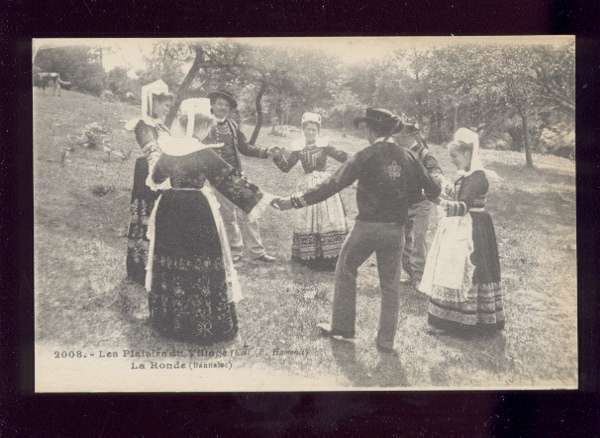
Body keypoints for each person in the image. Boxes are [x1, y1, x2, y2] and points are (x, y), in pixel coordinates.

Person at [272, 108, 442, 353]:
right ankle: (386, 342)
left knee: (345, 269)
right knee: (390, 286)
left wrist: (294, 201)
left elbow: (331, 184)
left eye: (366, 128)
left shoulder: (365, 155)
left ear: (372, 130)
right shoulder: (409, 157)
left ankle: (342, 328)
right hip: (396, 231)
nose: (364, 132)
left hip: (366, 228)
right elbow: (431, 190)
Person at [144, 98, 274, 344]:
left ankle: (169, 318)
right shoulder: (204, 153)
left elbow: (156, 177)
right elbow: (230, 181)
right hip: (196, 209)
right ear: (201, 126)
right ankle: (200, 320)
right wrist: (263, 199)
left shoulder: (170, 149)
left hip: (169, 208)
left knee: (172, 259)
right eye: (207, 127)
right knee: (200, 260)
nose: (208, 131)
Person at [418, 128, 505, 335]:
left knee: (468, 270)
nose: (453, 161)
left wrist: (437, 200)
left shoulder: (477, 177)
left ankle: (466, 322)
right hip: (463, 226)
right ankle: (450, 320)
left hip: (473, 229)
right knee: (453, 270)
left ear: (467, 154)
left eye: (455, 156)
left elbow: (463, 206)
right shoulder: (467, 175)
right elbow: (458, 198)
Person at [203, 90, 276, 263]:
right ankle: (235, 251)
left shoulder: (233, 126)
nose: (223, 108)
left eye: (226, 106)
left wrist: (265, 152)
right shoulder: (204, 125)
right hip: (217, 179)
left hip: (236, 176)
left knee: (250, 210)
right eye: (220, 104)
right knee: (229, 217)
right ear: (212, 105)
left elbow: (244, 147)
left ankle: (257, 251)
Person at [271, 112, 350, 271]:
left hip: (323, 185)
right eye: (307, 129)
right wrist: (277, 156)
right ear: (303, 130)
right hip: (307, 185)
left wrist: (357, 161)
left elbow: (343, 157)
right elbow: (286, 168)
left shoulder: (324, 145)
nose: (310, 133)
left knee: (328, 218)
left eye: (313, 130)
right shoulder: (298, 148)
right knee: (307, 218)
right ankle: (309, 256)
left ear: (318, 131)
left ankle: (331, 256)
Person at [124, 80, 174, 285]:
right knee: (144, 219)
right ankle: (138, 269)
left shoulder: (161, 125)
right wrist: (164, 175)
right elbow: (152, 151)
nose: (166, 108)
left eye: (168, 105)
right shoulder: (142, 124)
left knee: (159, 219)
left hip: (162, 172)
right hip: (148, 174)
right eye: (163, 104)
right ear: (151, 102)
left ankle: (156, 266)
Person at [393, 114, 444, 289]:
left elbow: (437, 174)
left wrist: (432, 182)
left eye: (402, 134)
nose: (398, 137)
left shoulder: (424, 154)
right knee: (403, 237)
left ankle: (420, 276)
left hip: (421, 202)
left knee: (418, 237)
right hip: (403, 202)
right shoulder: (398, 152)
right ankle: (409, 272)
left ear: (411, 136)